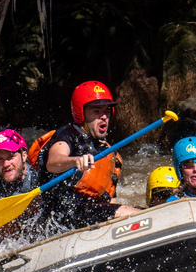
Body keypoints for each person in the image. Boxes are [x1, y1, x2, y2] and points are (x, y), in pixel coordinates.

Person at [36, 81, 140, 230]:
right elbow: (53, 162)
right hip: (62, 214)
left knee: (134, 210)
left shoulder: (110, 153)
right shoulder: (68, 134)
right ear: (81, 113)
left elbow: (110, 200)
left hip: (88, 213)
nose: (103, 117)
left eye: (107, 111)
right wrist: (76, 160)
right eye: (96, 111)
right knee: (125, 212)